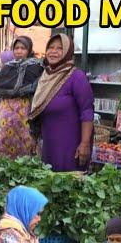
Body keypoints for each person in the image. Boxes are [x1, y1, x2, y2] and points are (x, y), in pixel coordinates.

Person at [30, 34, 94, 171]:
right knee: (50, 183)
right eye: (51, 47)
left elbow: (87, 111)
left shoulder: (76, 76)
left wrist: (84, 143)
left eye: (59, 48)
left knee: (69, 185)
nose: (53, 51)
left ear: (67, 52)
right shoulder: (45, 76)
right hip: (49, 144)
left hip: (70, 146)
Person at [0, 36, 44, 159]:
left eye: (23, 48)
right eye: (16, 48)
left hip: (25, 111)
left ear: (29, 50)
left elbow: (39, 90)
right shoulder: (7, 68)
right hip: (7, 114)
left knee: (25, 143)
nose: (19, 51)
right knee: (6, 142)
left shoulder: (36, 67)